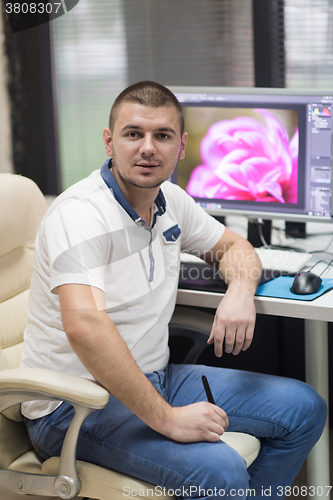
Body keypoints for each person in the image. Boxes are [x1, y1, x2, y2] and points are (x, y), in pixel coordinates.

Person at [20, 81, 326, 499]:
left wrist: (239, 290)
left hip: (154, 378)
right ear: (110, 142)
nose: (148, 148)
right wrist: (168, 419)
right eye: (133, 134)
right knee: (219, 471)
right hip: (74, 407)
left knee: (304, 408)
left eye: (161, 135)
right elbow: (85, 326)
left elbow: (236, 248)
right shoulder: (80, 215)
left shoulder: (170, 201)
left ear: (181, 146)